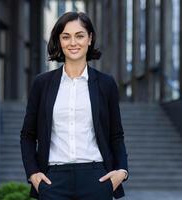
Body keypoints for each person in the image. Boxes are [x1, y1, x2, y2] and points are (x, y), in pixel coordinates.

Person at [20, 12, 128, 200]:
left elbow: (116, 135)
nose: (73, 43)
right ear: (59, 41)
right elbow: (28, 135)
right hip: (53, 181)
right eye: (66, 36)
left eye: (79, 35)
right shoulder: (42, 83)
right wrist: (33, 174)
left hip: (97, 178)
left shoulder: (105, 84)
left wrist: (122, 172)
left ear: (90, 38)